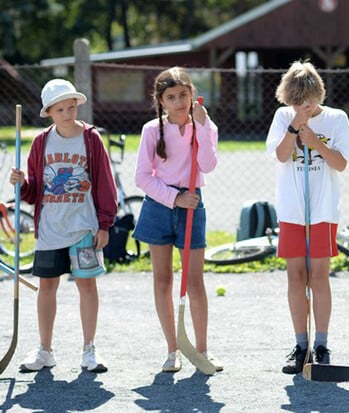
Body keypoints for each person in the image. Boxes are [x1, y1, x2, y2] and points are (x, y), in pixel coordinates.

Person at [9, 78, 117, 373]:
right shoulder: (41, 142)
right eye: (61, 109)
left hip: (83, 227)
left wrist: (105, 223)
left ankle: (89, 350)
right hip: (50, 230)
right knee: (47, 286)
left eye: (71, 107)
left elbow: (106, 184)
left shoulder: (91, 139)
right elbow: (34, 193)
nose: (68, 114)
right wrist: (21, 184)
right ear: (49, 112)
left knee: (86, 285)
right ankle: (45, 350)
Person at [266, 60, 349, 374]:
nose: (303, 106)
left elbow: (342, 163)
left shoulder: (336, 118)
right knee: (295, 277)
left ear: (318, 95)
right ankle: (300, 344)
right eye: (295, 102)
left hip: (322, 211)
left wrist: (315, 140)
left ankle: (321, 344)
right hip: (293, 211)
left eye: (308, 102)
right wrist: (294, 127)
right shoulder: (282, 117)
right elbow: (279, 155)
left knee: (319, 277)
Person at [132, 66, 222, 373]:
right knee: (163, 280)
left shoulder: (205, 126)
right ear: (161, 101)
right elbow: (142, 177)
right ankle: (172, 350)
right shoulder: (151, 131)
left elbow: (207, 165)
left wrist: (204, 125)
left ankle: (202, 350)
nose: (179, 101)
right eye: (171, 97)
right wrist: (173, 198)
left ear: (193, 95)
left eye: (183, 94)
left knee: (195, 282)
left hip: (193, 205)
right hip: (159, 205)